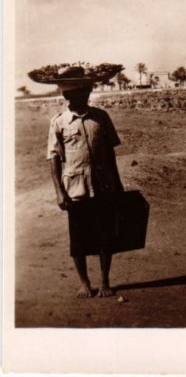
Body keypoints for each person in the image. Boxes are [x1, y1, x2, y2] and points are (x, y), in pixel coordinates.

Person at [46, 65, 125, 298]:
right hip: (75, 189)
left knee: (105, 236)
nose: (80, 96)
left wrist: (118, 184)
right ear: (66, 95)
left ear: (88, 92)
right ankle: (83, 283)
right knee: (78, 238)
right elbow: (54, 158)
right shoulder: (58, 122)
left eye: (84, 92)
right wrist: (59, 192)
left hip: (104, 185)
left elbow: (110, 154)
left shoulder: (101, 117)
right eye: (73, 93)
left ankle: (105, 282)